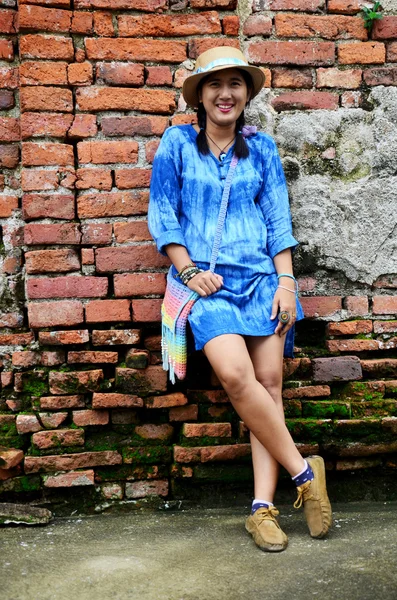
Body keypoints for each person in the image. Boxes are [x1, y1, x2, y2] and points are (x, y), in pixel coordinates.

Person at [148, 46, 332, 552]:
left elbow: (278, 222)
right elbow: (163, 215)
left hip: (260, 283)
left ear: (247, 93)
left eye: (235, 84)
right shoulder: (178, 144)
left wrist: (287, 284)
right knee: (236, 376)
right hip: (205, 286)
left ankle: (262, 509)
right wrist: (187, 270)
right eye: (214, 85)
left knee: (270, 387)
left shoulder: (263, 149)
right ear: (200, 96)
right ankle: (304, 475)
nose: (225, 93)